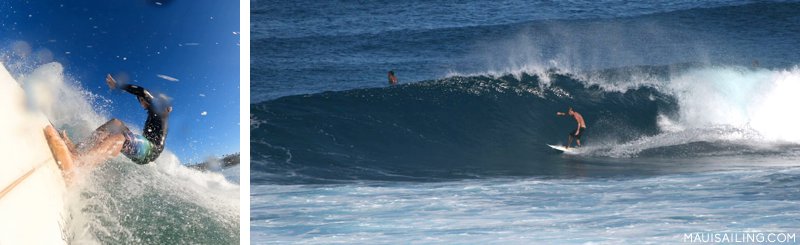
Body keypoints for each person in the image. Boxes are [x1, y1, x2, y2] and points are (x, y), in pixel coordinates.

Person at [59, 74, 172, 168]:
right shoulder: (154, 114)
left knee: (120, 137)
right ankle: (78, 150)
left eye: (141, 100)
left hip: (151, 151)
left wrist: (117, 85)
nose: (141, 103)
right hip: (144, 149)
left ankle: (82, 163)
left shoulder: (158, 109)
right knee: (115, 123)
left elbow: (142, 91)